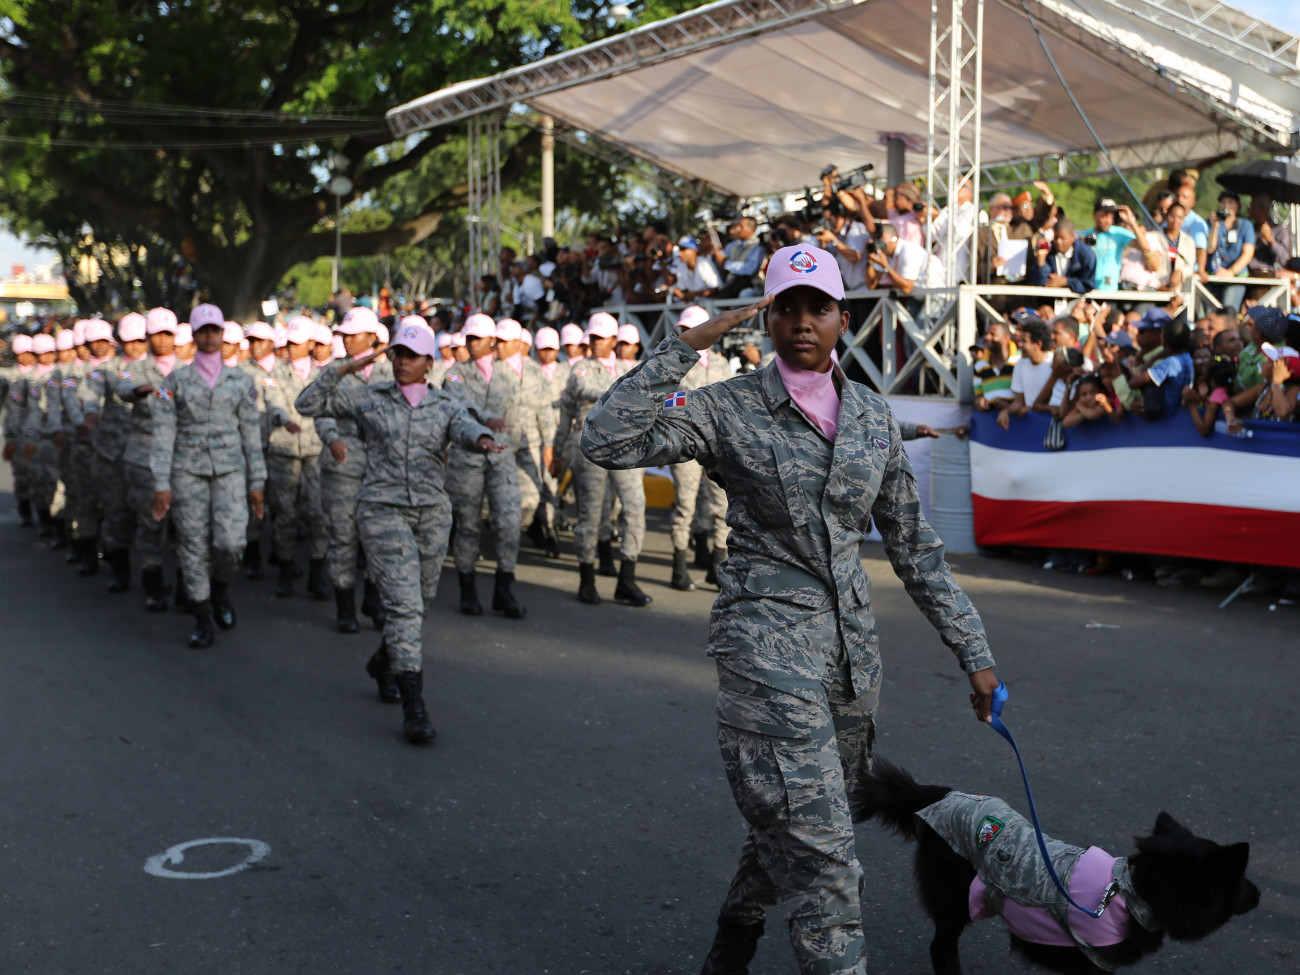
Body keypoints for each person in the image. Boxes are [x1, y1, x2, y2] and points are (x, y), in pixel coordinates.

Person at [580, 243, 998, 975]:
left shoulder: (872, 418)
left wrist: (975, 653)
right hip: (763, 645)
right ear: (767, 318)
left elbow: (916, 550)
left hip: (849, 660)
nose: (804, 322)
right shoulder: (727, 405)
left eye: (819, 308)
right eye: (787, 308)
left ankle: (738, 925)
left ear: (843, 318)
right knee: (825, 853)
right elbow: (606, 439)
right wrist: (687, 344)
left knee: (804, 816)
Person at [295, 319, 501, 744]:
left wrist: (481, 439)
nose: (403, 362)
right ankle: (414, 706)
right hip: (382, 510)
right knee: (405, 607)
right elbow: (307, 404)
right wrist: (343, 369)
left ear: (429, 362)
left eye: (412, 356)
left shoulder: (444, 404)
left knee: (420, 602)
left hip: (431, 514)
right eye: (398, 355)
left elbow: (465, 426)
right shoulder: (369, 398)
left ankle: (382, 661)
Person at [150, 303, 267, 649]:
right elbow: (163, 435)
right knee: (193, 544)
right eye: (203, 331)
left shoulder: (241, 381)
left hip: (230, 471)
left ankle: (218, 590)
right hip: (187, 472)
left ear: (222, 333)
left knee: (231, 543)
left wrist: (257, 482)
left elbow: (251, 434)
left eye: (215, 330)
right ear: (194, 335)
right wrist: (161, 483)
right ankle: (202, 616)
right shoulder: (174, 382)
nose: (210, 336)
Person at [551, 311, 652, 607]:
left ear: (613, 340)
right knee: (591, 514)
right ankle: (587, 579)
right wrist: (557, 451)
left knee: (635, 508)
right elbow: (582, 394)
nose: (596, 343)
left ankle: (627, 579)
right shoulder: (581, 368)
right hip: (591, 448)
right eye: (593, 337)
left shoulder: (627, 368)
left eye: (602, 338)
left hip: (625, 447)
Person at [441, 314, 529, 619]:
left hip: (501, 455)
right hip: (468, 458)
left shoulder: (507, 372)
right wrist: (486, 417)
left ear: (492, 340)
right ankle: (468, 590)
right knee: (467, 525)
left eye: (478, 338)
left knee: (509, 521)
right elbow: (459, 404)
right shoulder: (454, 374)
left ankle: (504, 590)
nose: (472, 343)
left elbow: (515, 414)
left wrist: (512, 447)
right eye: (469, 338)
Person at [312, 306, 392, 633]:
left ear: (372, 337)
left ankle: (373, 599)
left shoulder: (391, 372)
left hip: (382, 467)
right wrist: (331, 437)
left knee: (379, 536)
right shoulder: (334, 372)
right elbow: (321, 411)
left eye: (353, 335)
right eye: (343, 335)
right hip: (343, 465)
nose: (346, 340)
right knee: (343, 535)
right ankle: (345, 608)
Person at [114, 307, 180, 611]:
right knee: (151, 524)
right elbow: (122, 388)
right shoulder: (135, 369)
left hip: (183, 460)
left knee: (186, 527)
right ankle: (153, 584)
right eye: (156, 335)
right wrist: (137, 391)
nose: (162, 340)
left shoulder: (189, 369)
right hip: (146, 461)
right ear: (148, 337)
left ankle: (188, 588)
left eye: (168, 334)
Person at [78, 313, 150, 592]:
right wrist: (90, 412)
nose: (134, 346)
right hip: (114, 454)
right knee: (117, 513)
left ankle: (153, 577)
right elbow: (90, 391)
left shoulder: (161, 369)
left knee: (150, 518)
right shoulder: (108, 369)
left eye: (140, 340)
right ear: (120, 341)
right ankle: (121, 572)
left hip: (150, 455)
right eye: (129, 341)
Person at [263, 316, 330, 600]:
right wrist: (283, 419)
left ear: (311, 344)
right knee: (286, 514)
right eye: (288, 342)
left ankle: (316, 571)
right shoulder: (274, 373)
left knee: (317, 513)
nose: (291, 347)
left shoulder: (323, 376)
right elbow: (273, 402)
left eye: (297, 342)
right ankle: (285, 570)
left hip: (315, 451)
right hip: (285, 451)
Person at [1207, 191, 1255, 313]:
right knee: (1210, 312)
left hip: (1236, 275)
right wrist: (1214, 227)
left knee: (1228, 310)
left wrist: (1231, 272)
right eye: (1223, 202)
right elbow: (1210, 248)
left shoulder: (1246, 225)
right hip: (1214, 274)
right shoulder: (1212, 222)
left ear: (1238, 206)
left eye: (1230, 202)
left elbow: (1248, 254)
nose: (1226, 206)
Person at [1027, 219, 1096, 293]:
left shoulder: (1086, 255)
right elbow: (1039, 283)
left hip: (1077, 298)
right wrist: (1041, 263)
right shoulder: (1049, 252)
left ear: (1073, 237)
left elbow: (1088, 285)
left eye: (1062, 238)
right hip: (1052, 297)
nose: (1058, 242)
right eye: (1056, 237)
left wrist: (1066, 281)